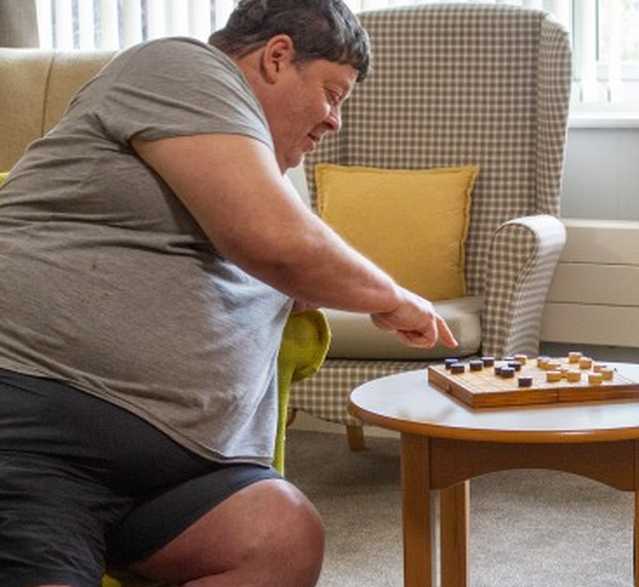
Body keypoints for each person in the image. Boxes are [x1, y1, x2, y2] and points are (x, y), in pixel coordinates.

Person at [0, 1, 457, 585]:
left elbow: (289, 256)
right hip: (42, 431)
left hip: (182, 477)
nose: (333, 121)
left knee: (280, 535)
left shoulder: (265, 176)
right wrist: (392, 297)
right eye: (332, 94)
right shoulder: (180, 67)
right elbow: (274, 242)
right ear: (277, 56)